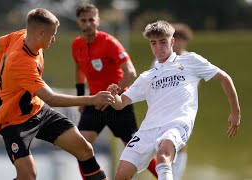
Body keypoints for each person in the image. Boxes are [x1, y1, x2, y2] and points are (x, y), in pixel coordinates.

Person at [0, 8, 115, 180]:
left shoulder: (23, 35)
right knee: (28, 175)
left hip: (38, 111)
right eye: (52, 34)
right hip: (14, 121)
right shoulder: (21, 63)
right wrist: (93, 99)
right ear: (41, 33)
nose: (54, 39)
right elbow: (51, 99)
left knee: (84, 149)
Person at [106, 20, 241, 180]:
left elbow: (224, 78)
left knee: (163, 156)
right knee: (121, 174)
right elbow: (120, 104)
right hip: (147, 130)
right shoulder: (147, 76)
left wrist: (235, 112)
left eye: (163, 42)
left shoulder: (190, 61)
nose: (158, 47)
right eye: (153, 43)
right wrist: (113, 95)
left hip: (176, 125)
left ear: (172, 41)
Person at [71, 3, 157, 179]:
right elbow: (80, 70)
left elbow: (130, 72)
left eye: (91, 20)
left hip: (118, 102)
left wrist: (111, 96)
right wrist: (81, 98)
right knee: (80, 146)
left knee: (136, 149)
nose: (88, 24)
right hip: (94, 102)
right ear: (78, 22)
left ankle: (166, 176)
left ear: (98, 21)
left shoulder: (110, 42)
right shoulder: (77, 44)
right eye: (83, 20)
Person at [151, 23, 193, 180]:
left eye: (183, 39)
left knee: (180, 143)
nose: (180, 43)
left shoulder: (190, 59)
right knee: (162, 143)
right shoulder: (160, 60)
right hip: (162, 110)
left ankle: (177, 174)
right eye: (178, 39)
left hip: (182, 110)